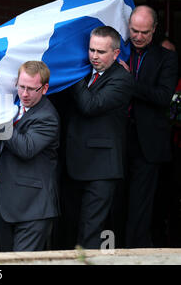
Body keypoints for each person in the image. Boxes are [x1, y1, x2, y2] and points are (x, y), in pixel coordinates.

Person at [118, 5, 179, 248]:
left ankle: (135, 256)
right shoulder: (118, 51)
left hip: (148, 143)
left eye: (144, 32)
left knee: (140, 206)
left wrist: (128, 81)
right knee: (117, 200)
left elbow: (163, 97)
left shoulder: (167, 57)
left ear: (154, 30)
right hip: (117, 138)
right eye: (134, 30)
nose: (138, 36)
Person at [66, 26, 132, 249]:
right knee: (69, 227)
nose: (94, 56)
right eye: (91, 50)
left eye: (101, 52)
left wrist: (72, 74)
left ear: (115, 54)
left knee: (91, 230)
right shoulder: (86, 72)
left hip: (102, 168)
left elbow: (89, 105)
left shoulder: (122, 79)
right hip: (73, 164)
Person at [0, 60, 60, 252]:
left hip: (33, 208)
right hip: (7, 203)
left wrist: (0, 121)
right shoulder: (15, 108)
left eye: (31, 89)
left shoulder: (48, 117)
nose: (24, 94)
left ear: (45, 88)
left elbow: (26, 148)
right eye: (21, 86)